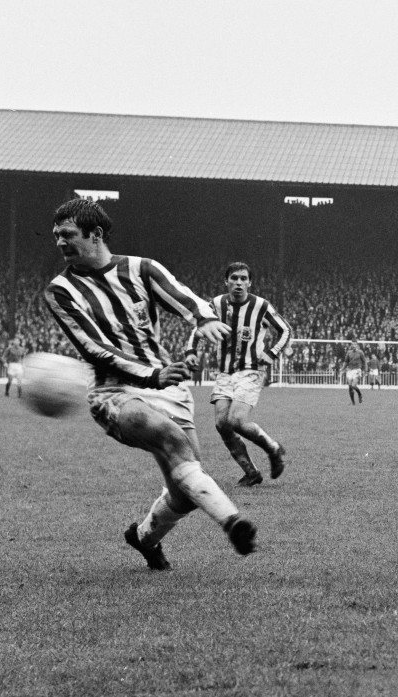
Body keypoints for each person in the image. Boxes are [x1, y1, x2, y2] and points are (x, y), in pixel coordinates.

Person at [43, 198, 256, 570]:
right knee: (172, 442)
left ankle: (143, 538)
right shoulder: (60, 291)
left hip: (168, 389)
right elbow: (93, 346)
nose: (60, 242)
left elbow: (182, 295)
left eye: (67, 235)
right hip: (115, 392)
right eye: (56, 235)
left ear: (95, 235)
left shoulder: (141, 270)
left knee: (185, 491)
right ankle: (232, 521)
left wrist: (202, 317)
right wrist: (150, 376)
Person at [185, 262, 291, 487]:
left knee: (237, 420)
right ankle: (251, 472)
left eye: (244, 278)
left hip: (251, 370)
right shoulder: (216, 304)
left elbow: (285, 330)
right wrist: (191, 351)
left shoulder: (261, 306)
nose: (239, 283)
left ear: (250, 282)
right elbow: (199, 326)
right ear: (226, 281)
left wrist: (271, 353)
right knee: (222, 424)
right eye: (234, 278)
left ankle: (273, 449)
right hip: (225, 373)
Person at [343, 340, 367, 404]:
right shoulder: (349, 352)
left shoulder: (360, 352)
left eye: (355, 344)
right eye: (352, 344)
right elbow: (346, 361)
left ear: (357, 345)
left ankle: (360, 394)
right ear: (351, 345)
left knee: (353, 385)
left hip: (357, 370)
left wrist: (365, 370)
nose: (353, 345)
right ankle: (353, 403)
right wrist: (343, 368)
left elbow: (364, 361)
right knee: (350, 387)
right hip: (350, 370)